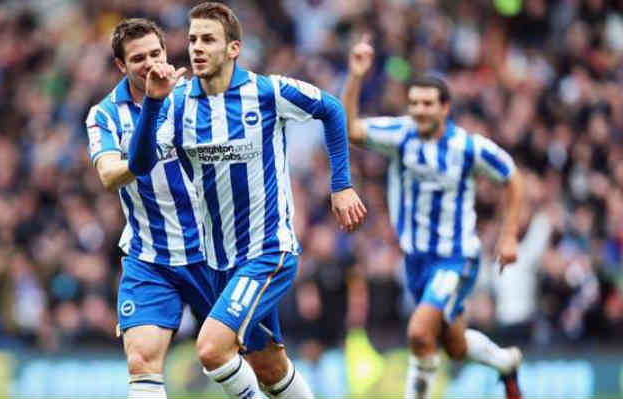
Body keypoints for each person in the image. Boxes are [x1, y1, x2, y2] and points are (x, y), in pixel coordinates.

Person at [127, 3, 367, 398]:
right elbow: (139, 163)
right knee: (271, 368)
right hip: (218, 262)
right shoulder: (178, 101)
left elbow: (332, 108)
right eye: (192, 40)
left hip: (267, 252)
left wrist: (340, 184)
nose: (197, 48)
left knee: (211, 349)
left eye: (208, 39)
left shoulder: (267, 92)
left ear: (234, 48)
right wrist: (153, 102)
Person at [342, 36, 524, 399]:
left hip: (456, 258)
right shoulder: (400, 135)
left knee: (419, 333)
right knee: (454, 346)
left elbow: (511, 176)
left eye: (427, 104)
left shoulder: (468, 147)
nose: (419, 111)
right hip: (417, 260)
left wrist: (508, 235)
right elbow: (353, 129)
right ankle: (505, 363)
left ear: (445, 108)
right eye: (414, 104)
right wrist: (356, 77)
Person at [86, 18, 215, 399]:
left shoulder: (196, 97)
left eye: (156, 53)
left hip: (212, 251)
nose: (150, 63)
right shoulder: (105, 114)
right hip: (150, 255)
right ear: (121, 66)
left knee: (257, 361)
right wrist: (138, 162)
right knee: (141, 361)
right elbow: (109, 175)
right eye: (138, 58)